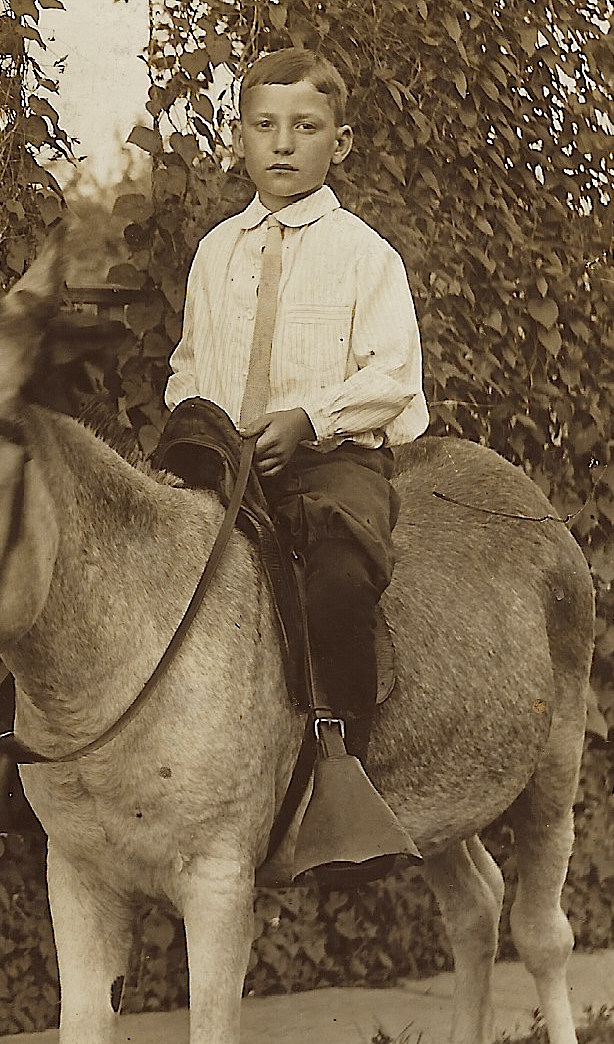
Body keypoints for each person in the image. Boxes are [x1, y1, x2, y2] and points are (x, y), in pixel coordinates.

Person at [164, 47, 428, 790]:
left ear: (338, 144)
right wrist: (201, 426)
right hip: (224, 462)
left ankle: (341, 769)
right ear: (240, 137)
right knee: (124, 552)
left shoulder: (365, 255)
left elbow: (394, 377)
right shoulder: (217, 252)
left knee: (339, 580)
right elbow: (189, 364)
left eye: (305, 127)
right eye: (265, 125)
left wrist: (311, 419)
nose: (282, 144)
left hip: (330, 463)